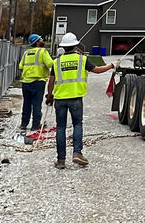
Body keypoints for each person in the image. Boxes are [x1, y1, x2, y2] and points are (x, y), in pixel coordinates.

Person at [45, 32, 118, 169]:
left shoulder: (57, 62)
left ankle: (61, 161)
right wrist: (112, 66)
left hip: (60, 99)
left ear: (63, 47)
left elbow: (51, 81)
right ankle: (77, 153)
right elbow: (97, 70)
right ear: (76, 45)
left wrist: (49, 96)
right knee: (77, 125)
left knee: (60, 128)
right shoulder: (82, 59)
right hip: (76, 98)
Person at [17, 34, 51, 141]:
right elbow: (50, 64)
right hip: (38, 81)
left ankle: (24, 124)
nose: (42, 40)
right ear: (37, 42)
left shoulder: (26, 53)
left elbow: (20, 66)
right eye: (40, 39)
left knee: (27, 103)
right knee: (37, 104)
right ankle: (35, 125)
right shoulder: (42, 52)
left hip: (26, 82)